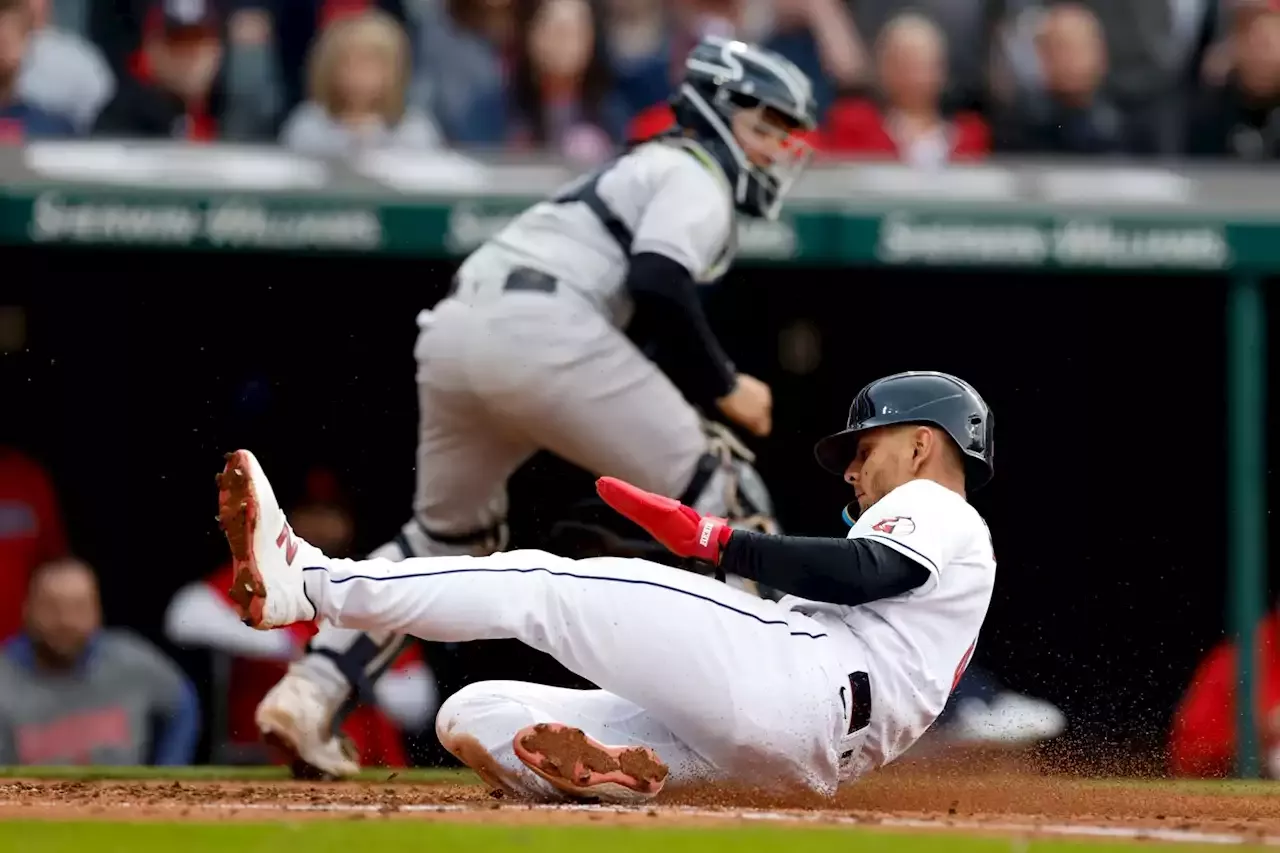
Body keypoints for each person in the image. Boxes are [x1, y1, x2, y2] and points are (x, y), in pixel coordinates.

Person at [249, 34, 817, 779]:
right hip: (548, 331)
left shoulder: (642, 166)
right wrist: (724, 383)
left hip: (458, 328)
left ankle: (311, 687)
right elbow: (659, 282)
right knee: (727, 492)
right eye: (764, 125)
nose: (777, 146)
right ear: (716, 110)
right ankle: (785, 724)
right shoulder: (694, 172)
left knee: (446, 538)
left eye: (784, 131)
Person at [216, 370, 997, 801]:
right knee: (473, 712)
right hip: (796, 758)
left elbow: (868, 573)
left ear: (924, 443)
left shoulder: (938, 507)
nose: (854, 467)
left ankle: (313, 583)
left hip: (801, 681)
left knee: (541, 584)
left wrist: (720, 541)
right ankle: (615, 774)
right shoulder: (933, 536)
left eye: (865, 448)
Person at [0, 557, 200, 765]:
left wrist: (168, 774)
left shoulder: (131, 661)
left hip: (125, 796)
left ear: (97, 611)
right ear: (27, 609)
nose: (66, 620)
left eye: (79, 607)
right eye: (52, 607)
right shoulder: (4, 679)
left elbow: (183, 704)